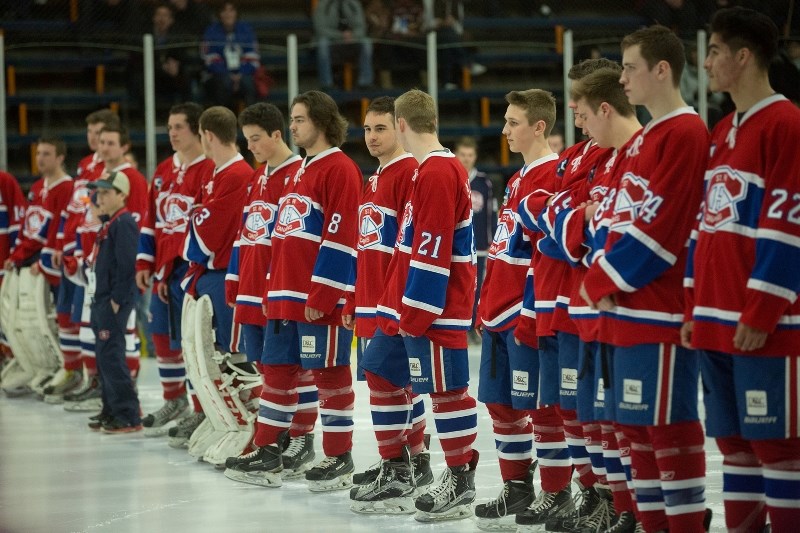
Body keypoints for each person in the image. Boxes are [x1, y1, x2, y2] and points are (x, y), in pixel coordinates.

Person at [580, 25, 710, 533]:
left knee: (666, 431)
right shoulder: (650, 138)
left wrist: (602, 278)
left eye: (630, 66)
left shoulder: (684, 132)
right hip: (626, 312)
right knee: (635, 431)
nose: (622, 76)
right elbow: (625, 216)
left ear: (662, 70)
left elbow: (664, 226)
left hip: (657, 312)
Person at [683, 7, 800, 532]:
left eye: (712, 52)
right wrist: (693, 308)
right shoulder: (723, 129)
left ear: (743, 57)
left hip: (764, 326)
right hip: (714, 320)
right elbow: (703, 229)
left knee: (778, 448)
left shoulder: (787, 124)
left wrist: (763, 309)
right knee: (734, 446)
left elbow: (787, 225)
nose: (705, 63)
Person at [225, 91, 360, 491]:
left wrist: (322, 294)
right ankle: (268, 453)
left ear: (320, 121)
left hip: (318, 301)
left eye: (300, 119)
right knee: (278, 373)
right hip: (283, 296)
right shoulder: (303, 169)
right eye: (293, 119)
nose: (294, 126)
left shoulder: (340, 168)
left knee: (331, 375)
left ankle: (339, 456)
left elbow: (342, 237)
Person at [375, 89, 479, 522]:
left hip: (436, 310)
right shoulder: (429, 170)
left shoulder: (437, 171)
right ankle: (402, 466)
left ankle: (459, 478)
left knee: (447, 392)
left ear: (401, 124)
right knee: (382, 366)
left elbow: (433, 249)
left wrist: (414, 312)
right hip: (415, 306)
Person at [548, 66, 643, 532]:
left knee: (629, 421)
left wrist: (579, 221)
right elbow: (552, 223)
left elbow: (602, 228)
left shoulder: (636, 152)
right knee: (593, 415)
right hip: (585, 304)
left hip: (623, 308)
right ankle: (612, 502)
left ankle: (639, 511)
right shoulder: (594, 158)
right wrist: (577, 220)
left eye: (581, 111)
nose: (577, 120)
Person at [471, 89, 559, 530]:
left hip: (524, 314)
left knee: (542, 409)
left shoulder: (553, 176)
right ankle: (518, 488)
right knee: (501, 406)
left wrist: (529, 311)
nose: (504, 131)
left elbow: (544, 259)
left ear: (539, 126)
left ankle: (557, 493)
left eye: (513, 123)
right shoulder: (518, 178)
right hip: (496, 312)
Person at [346, 96, 433, 513]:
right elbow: (365, 245)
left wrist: (397, 302)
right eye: (366, 129)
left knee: (386, 378)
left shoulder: (409, 173)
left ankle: (399, 468)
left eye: (380, 128)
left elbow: (412, 246)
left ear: (400, 128)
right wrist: (354, 296)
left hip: (394, 301)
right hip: (371, 299)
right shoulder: (374, 177)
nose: (372, 136)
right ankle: (414, 463)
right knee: (399, 383)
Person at [223, 102, 320, 480]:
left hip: (278, 291)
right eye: (246, 141)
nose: (251, 148)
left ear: (277, 135)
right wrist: (235, 277)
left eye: (256, 139)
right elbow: (245, 231)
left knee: (293, 368)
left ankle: (301, 436)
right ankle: (281, 432)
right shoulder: (258, 176)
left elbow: (294, 243)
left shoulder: (298, 173)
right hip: (250, 287)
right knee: (266, 367)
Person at [180, 105, 256, 465]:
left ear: (207, 135)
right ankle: (222, 420)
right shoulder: (218, 173)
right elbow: (197, 221)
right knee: (202, 359)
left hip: (225, 278)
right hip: (208, 277)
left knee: (231, 360)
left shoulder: (237, 174)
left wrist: (195, 219)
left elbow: (205, 231)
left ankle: (247, 426)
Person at [135, 103, 213, 438]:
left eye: (178, 126)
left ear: (197, 130)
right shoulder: (164, 170)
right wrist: (144, 261)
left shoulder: (208, 169)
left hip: (186, 268)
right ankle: (174, 399)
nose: (172, 132)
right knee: (161, 339)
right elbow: (152, 221)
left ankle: (200, 410)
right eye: (169, 126)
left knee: (192, 341)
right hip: (161, 272)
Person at [54, 109, 120, 408]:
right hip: (81, 253)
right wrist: (67, 246)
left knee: (107, 327)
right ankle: (89, 378)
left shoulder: (114, 171)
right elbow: (77, 211)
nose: (94, 140)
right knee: (82, 323)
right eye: (91, 133)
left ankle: (108, 388)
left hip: (99, 255)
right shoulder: (85, 165)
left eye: (100, 134)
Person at [85, 172, 141, 433]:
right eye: (99, 192)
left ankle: (128, 414)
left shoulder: (124, 222)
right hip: (101, 300)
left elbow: (128, 265)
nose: (100, 197)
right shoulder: (109, 223)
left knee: (112, 355)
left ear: (122, 195)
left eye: (107, 192)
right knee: (103, 356)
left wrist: (118, 300)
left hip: (111, 301)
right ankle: (111, 408)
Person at [454, 136, 495, 345]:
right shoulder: (450, 178)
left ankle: (472, 326)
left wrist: (491, 243)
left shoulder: (483, 182)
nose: (466, 159)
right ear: (456, 154)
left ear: (475, 157)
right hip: (456, 247)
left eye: (470, 155)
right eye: (463, 154)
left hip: (479, 247)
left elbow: (490, 215)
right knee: (457, 287)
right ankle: (458, 327)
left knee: (476, 288)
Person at [201, 1, 260, 108]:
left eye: (231, 10)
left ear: (236, 13)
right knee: (224, 83)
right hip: (217, 76)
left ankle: (251, 121)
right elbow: (210, 59)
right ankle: (224, 121)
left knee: (248, 83)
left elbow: (252, 57)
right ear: (219, 14)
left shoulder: (246, 30)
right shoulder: (211, 31)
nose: (228, 14)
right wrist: (229, 74)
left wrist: (240, 74)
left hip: (243, 74)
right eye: (224, 10)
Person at [313, 0, 375, 90]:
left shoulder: (354, 3)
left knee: (366, 42)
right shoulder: (323, 4)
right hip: (332, 42)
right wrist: (340, 36)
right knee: (323, 43)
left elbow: (361, 27)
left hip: (352, 41)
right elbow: (320, 29)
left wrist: (352, 35)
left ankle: (365, 82)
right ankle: (326, 84)